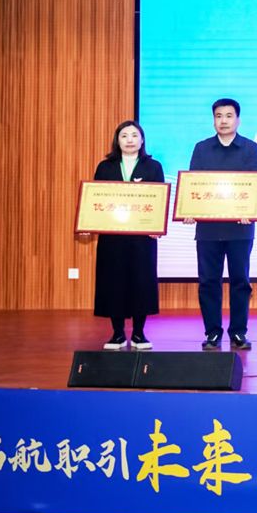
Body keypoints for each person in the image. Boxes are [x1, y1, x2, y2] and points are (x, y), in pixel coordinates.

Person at [188, 98, 257, 351]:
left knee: (240, 281)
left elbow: (253, 185)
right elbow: (194, 185)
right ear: (213, 120)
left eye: (229, 116)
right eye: (219, 116)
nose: (223, 121)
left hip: (240, 228)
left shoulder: (250, 149)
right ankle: (212, 333)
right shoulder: (201, 149)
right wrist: (190, 209)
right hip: (208, 229)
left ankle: (238, 332)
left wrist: (249, 210)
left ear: (237, 120)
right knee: (209, 281)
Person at [88, 121, 164, 350]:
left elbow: (159, 200)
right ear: (117, 140)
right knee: (114, 282)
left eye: (134, 135)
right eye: (124, 135)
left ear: (142, 140)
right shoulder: (105, 167)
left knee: (141, 282)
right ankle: (118, 334)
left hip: (143, 237)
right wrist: (89, 222)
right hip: (112, 237)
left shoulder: (153, 167)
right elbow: (95, 200)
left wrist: (156, 226)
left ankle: (139, 334)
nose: (130, 140)